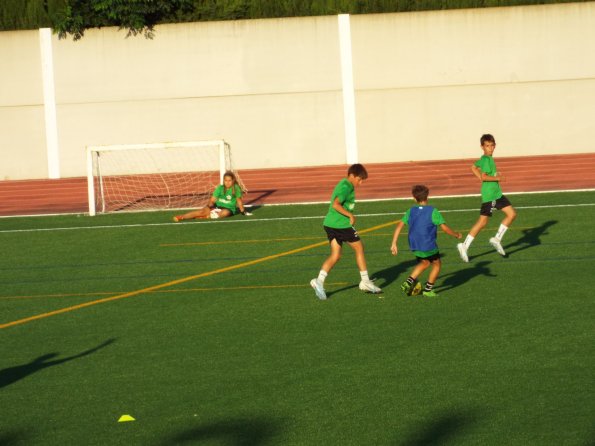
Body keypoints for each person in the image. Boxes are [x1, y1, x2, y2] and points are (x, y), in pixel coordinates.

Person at [310, 163, 382, 300]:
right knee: (359, 248)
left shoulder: (344, 184)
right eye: (359, 179)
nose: (360, 183)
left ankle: (319, 281)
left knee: (336, 255)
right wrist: (350, 215)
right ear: (352, 176)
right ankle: (365, 281)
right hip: (341, 225)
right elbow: (335, 204)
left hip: (330, 224)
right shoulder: (346, 186)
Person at [390, 185, 462, 297]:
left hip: (414, 243)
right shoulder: (433, 211)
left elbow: (399, 226)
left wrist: (394, 243)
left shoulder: (411, 210)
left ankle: (408, 282)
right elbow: (444, 228)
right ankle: (428, 290)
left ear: (414, 198)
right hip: (427, 244)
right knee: (437, 264)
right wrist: (456, 235)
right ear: (427, 197)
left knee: (425, 262)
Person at [457, 134, 517, 262]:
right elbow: (484, 177)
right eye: (487, 146)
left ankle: (496, 239)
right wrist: (498, 178)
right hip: (490, 195)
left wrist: (485, 176)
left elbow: (473, 167)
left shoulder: (486, 159)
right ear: (482, 147)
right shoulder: (486, 160)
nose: (490, 148)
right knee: (482, 222)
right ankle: (464, 245)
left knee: (511, 214)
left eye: (492, 145)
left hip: (497, 194)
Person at [173, 171, 251, 221]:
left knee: (225, 213)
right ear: (223, 181)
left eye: (229, 180)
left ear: (233, 180)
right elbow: (212, 200)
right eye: (225, 180)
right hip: (216, 207)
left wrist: (243, 211)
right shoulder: (220, 188)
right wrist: (210, 207)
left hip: (228, 209)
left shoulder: (236, 188)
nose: (227, 182)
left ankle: (209, 215)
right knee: (201, 211)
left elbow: (239, 201)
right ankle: (182, 217)